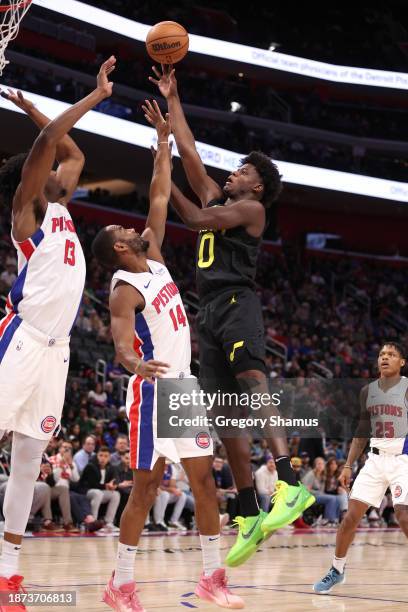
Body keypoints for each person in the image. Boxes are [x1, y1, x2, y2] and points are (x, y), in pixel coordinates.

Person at [149, 64, 314, 566]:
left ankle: (288, 483)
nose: (233, 172)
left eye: (243, 171)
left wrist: (161, 175)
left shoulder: (251, 212)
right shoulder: (220, 195)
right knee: (225, 416)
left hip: (240, 303)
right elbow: (191, 147)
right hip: (209, 316)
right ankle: (247, 511)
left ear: (257, 187)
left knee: (252, 385)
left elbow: (196, 218)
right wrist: (173, 99)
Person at [92, 100, 243, 610]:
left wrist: (162, 139)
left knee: (205, 481)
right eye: (123, 232)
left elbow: (159, 191)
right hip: (153, 389)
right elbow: (119, 347)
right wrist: (138, 365)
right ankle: (122, 584)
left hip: (185, 387)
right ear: (117, 248)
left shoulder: (152, 254)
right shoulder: (122, 286)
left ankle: (211, 578)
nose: (133, 228)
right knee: (146, 488)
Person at [0, 56, 116, 604]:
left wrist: (25, 102)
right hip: (20, 342)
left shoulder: (63, 205)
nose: (60, 170)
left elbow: (73, 150)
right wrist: (93, 96)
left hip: (58, 352)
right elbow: (52, 138)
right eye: (46, 167)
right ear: (30, 178)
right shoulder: (27, 211)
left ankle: (8, 569)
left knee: (28, 461)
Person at [314, 342, 408, 593]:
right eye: (381, 354)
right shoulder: (367, 392)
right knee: (350, 518)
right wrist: (347, 465)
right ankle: (336, 570)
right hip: (374, 460)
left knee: (403, 516)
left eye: (391, 355)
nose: (385, 358)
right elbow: (362, 431)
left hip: (403, 459)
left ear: (402, 362)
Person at [77, 446, 120, 533]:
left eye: (105, 456)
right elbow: (92, 484)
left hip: (100, 492)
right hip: (87, 492)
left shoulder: (110, 467)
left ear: (109, 458)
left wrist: (114, 485)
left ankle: (109, 522)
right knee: (98, 493)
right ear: (97, 456)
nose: (103, 458)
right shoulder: (91, 466)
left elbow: (116, 478)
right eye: (101, 455)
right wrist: (106, 486)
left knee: (116, 494)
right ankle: (94, 523)